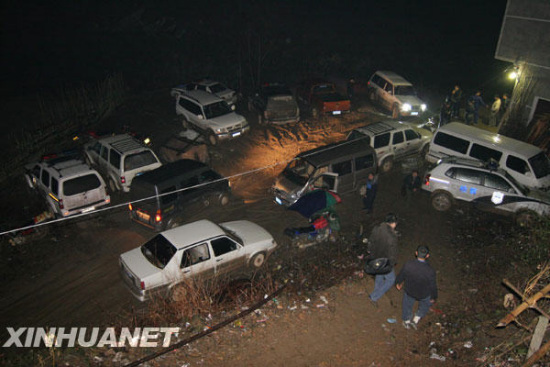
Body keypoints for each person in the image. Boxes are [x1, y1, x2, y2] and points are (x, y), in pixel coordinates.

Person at [395, 245, 438, 330]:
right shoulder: (430, 271)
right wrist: (434, 297)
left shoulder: (409, 264)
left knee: (407, 304)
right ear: (427, 255)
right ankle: (416, 318)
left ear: (416, 253)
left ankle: (406, 320)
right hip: (423, 294)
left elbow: (401, 275)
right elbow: (433, 286)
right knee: (425, 304)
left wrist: (398, 282)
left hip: (410, 291)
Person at [366, 213, 399, 306]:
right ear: (393, 223)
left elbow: (371, 241)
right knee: (391, 280)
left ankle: (377, 289)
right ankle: (374, 296)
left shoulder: (377, 228)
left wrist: (370, 252)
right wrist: (392, 264)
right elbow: (393, 253)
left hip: (375, 257)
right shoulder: (392, 237)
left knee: (379, 274)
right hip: (385, 261)